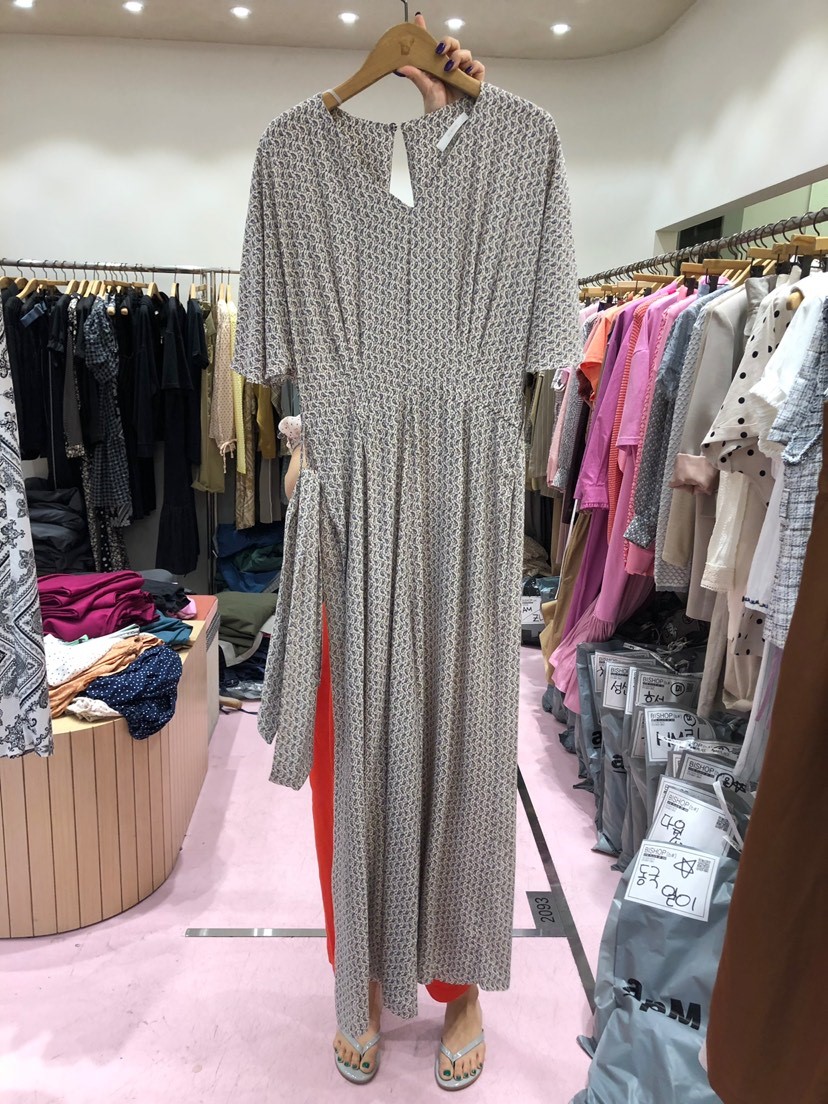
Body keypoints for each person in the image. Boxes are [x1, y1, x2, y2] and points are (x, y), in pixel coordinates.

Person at [278, 22, 490, 1084]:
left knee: (460, 752)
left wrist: (469, 119)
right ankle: (357, 969)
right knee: (350, 770)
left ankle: (461, 984)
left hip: (456, 531)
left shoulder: (507, 165)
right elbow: (286, 387)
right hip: (349, 535)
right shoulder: (292, 164)